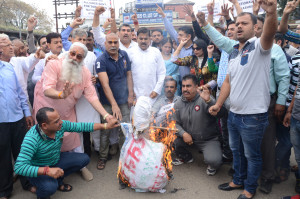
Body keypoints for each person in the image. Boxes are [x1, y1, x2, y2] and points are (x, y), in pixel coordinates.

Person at [207, 0, 278, 195]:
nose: (238, 26)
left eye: (244, 23)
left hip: (253, 117)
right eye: (237, 24)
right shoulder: (235, 53)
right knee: (237, 152)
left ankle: (250, 189)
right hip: (234, 114)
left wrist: (271, 13)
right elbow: (228, 82)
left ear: (255, 28)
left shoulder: (259, 46)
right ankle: (238, 180)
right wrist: (219, 104)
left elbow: (270, 33)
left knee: (252, 155)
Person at [14, 107, 119, 199]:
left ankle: (58, 180)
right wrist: (47, 171)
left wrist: (105, 126)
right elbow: (19, 167)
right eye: (56, 121)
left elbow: (81, 126)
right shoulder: (31, 139)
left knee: (84, 159)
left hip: (55, 160)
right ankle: (42, 195)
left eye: (59, 118)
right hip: (39, 169)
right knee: (49, 188)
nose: (61, 122)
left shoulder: (61, 125)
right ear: (44, 126)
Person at [33, 42, 114, 156]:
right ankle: (46, 165)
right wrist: (61, 95)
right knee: (45, 138)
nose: (74, 58)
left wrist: (106, 115)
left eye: (79, 56)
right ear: (68, 53)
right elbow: (47, 90)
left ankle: (79, 165)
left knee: (70, 137)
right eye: (72, 53)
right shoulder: (54, 64)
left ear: (83, 59)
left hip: (67, 111)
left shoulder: (85, 73)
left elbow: (92, 96)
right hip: (46, 108)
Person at [0, 38, 34, 198]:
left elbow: (20, 93)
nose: (11, 47)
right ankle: (5, 190)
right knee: (3, 156)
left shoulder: (9, 67)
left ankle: (27, 183)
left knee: (22, 153)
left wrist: (27, 113)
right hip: (1, 123)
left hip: (18, 118)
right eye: (7, 45)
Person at [173, 74, 225, 176]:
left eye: (188, 86)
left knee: (214, 161)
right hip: (188, 138)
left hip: (207, 139)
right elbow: (174, 124)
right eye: (183, 86)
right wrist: (183, 134)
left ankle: (211, 161)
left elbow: (221, 114)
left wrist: (209, 101)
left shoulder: (205, 99)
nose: (185, 89)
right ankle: (187, 157)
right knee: (172, 139)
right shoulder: (178, 103)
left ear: (196, 87)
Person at [95, 33, 133, 170]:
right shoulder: (101, 60)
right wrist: (114, 104)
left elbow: (129, 75)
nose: (113, 45)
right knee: (106, 130)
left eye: (115, 42)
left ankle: (125, 156)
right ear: (105, 44)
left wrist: (131, 94)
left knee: (125, 129)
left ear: (118, 43)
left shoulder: (124, 55)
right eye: (110, 42)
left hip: (123, 101)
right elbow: (105, 85)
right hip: (107, 103)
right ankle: (103, 157)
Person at [127, 27, 166, 104]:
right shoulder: (130, 52)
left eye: (146, 39)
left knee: (152, 115)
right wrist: (131, 92)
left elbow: (161, 73)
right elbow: (127, 74)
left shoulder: (156, 52)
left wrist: (157, 90)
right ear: (137, 38)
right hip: (135, 96)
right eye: (141, 39)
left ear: (150, 39)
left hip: (152, 95)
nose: (143, 41)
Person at [156, 4, 194, 80]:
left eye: (180, 35)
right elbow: (171, 29)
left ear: (189, 36)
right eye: (178, 35)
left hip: (191, 83)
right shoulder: (180, 44)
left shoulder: (195, 49)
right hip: (180, 83)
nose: (177, 37)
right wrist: (163, 15)